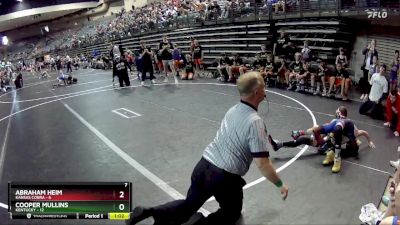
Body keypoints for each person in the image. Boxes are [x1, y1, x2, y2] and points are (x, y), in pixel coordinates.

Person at [126, 72, 289, 225]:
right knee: (231, 213)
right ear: (256, 92)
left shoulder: (233, 110)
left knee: (188, 205)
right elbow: (262, 163)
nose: (265, 90)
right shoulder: (255, 122)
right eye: (263, 87)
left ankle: (148, 212)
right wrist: (280, 184)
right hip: (225, 177)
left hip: (204, 165)